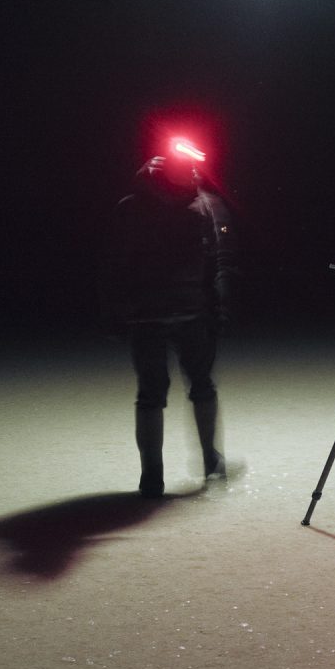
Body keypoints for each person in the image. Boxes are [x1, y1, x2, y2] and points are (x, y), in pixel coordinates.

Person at [101, 148, 235, 498]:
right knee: (152, 395)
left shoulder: (203, 204)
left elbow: (217, 261)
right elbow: (114, 264)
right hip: (150, 317)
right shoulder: (133, 207)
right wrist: (116, 310)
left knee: (199, 387)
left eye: (192, 166)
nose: (191, 171)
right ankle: (152, 475)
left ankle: (210, 460)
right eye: (185, 166)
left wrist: (218, 307)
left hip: (190, 313)